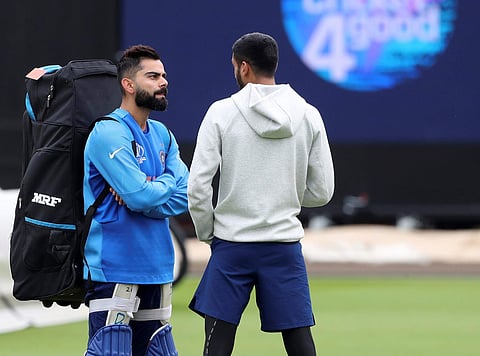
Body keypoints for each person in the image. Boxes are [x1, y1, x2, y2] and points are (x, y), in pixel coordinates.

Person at [187, 32, 335, 356]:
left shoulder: (220, 112)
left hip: (232, 244)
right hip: (283, 245)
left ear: (243, 68)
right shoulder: (308, 114)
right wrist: (286, 196)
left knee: (217, 342)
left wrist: (208, 232)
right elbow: (322, 191)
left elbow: (198, 186)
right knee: (299, 342)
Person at [82, 44, 188, 356]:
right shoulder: (108, 132)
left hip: (158, 267)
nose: (163, 82)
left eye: (164, 76)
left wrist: (151, 187)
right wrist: (148, 191)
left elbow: (185, 196)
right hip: (115, 267)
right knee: (110, 350)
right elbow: (141, 196)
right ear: (128, 84)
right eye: (153, 76)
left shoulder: (163, 134)